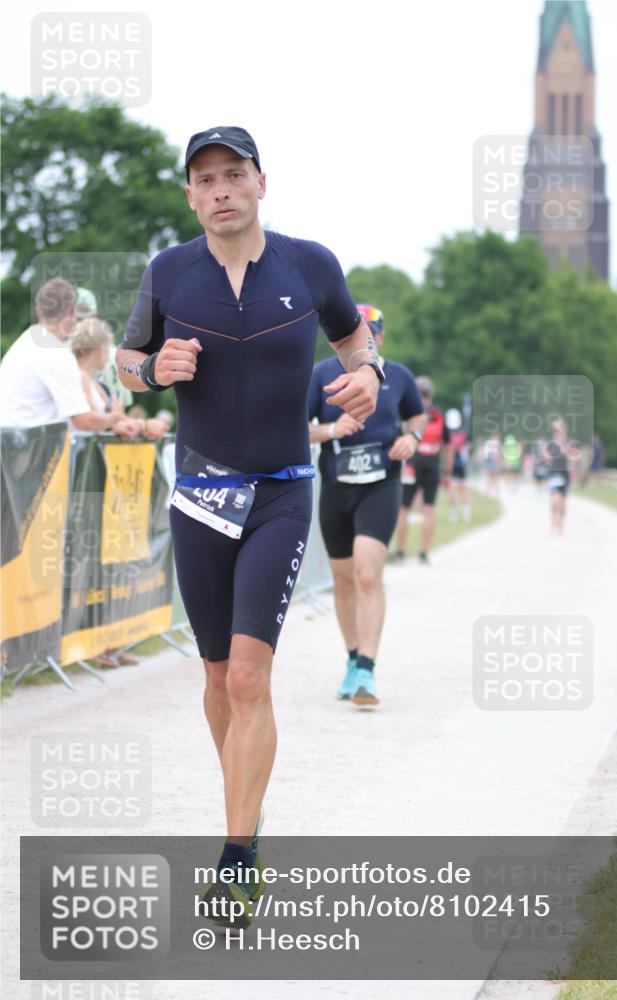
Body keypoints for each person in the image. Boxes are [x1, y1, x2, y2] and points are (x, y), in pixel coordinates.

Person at [115, 126, 380, 927]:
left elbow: (352, 338)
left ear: (262, 182)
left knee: (248, 677)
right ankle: (247, 803)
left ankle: (236, 859)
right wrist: (153, 370)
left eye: (235, 174)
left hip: (282, 489)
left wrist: (363, 375)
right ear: (191, 195)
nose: (222, 188)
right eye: (206, 178)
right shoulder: (168, 272)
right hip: (198, 492)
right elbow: (128, 360)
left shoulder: (310, 264)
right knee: (213, 677)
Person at [308, 304, 425, 704]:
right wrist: (330, 429)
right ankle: (353, 659)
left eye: (372, 332)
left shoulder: (400, 377)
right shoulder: (322, 375)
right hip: (338, 485)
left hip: (382, 484)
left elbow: (416, 420)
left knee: (368, 575)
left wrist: (414, 441)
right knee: (343, 578)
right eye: (360, 331)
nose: (367, 338)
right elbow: (297, 429)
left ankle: (367, 671)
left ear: (381, 337)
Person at [0, 278, 132, 435]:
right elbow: (83, 421)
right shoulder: (57, 354)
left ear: (38, 310)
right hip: (32, 451)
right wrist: (115, 417)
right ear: (72, 313)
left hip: (11, 447)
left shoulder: (23, 343)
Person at [394, 376, 451, 561]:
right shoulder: (439, 415)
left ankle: (401, 552)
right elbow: (449, 446)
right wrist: (447, 472)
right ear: (431, 395)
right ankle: (424, 553)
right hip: (433, 463)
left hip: (411, 462)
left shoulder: (410, 413)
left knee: (404, 508)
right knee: (429, 508)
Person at [71, 319, 141, 440]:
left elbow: (118, 419)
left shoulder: (93, 383)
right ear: (100, 348)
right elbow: (96, 419)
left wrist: (144, 425)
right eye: (108, 346)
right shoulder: (81, 377)